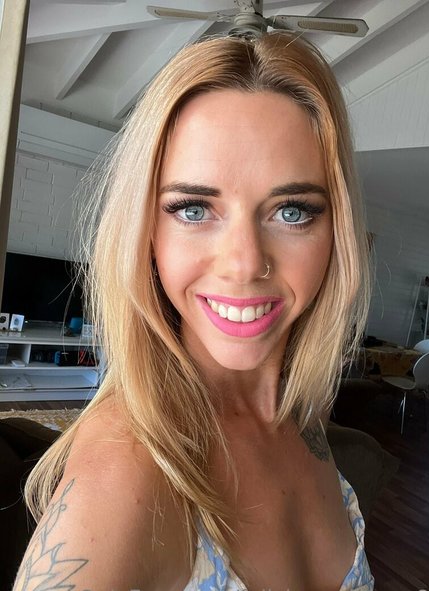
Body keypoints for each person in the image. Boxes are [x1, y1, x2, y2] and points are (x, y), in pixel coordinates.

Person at [15, 32, 373, 591]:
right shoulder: (127, 469)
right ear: (146, 233)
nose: (245, 264)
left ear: (337, 232)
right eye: (193, 209)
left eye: (292, 211)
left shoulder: (302, 417)